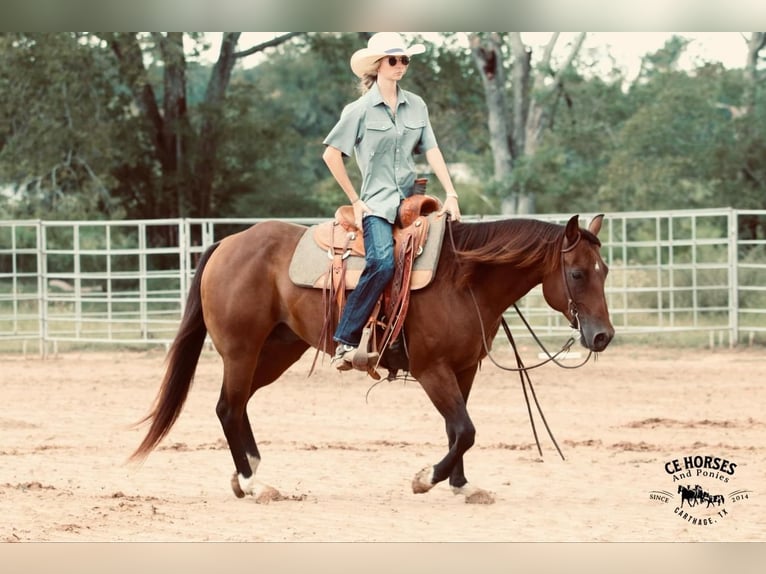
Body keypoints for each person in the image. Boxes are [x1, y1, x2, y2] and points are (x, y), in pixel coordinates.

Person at [323, 32, 462, 371]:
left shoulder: (417, 105)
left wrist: (452, 194)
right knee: (383, 263)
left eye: (405, 60)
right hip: (377, 203)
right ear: (377, 65)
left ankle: (423, 340)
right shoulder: (358, 111)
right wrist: (356, 200)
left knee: (450, 257)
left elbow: (432, 149)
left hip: (413, 197)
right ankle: (346, 339)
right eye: (393, 60)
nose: (401, 66)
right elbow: (331, 155)